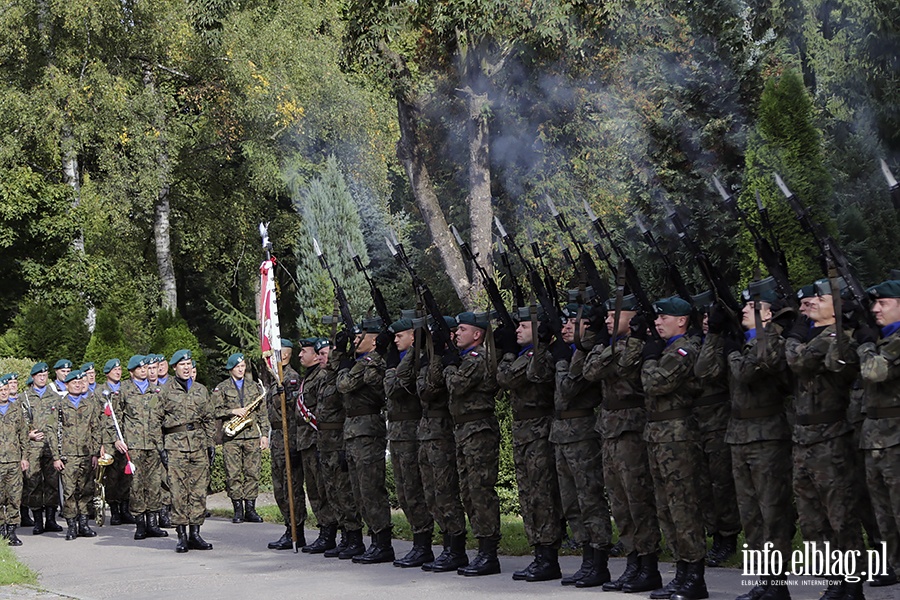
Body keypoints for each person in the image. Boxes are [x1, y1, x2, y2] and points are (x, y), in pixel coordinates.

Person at [784, 279, 866, 599]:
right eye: (810, 298)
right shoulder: (810, 335)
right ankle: (833, 582)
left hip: (831, 436)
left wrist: (792, 337)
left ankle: (852, 584)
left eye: (821, 296)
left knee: (840, 515)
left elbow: (799, 362)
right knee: (812, 519)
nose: (812, 302)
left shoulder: (838, 334)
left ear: (839, 304)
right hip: (803, 437)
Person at [713, 290, 793, 600]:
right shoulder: (747, 338)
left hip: (767, 436)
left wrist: (733, 351)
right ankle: (764, 580)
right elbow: (707, 373)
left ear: (769, 314)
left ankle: (777, 582)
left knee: (772, 513)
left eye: (753, 305)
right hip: (739, 435)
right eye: (745, 304)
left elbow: (746, 372)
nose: (745, 309)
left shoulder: (773, 339)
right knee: (751, 516)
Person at [583, 296, 656, 591]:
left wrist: (627, 344)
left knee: (638, 501)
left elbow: (625, 368)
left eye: (616, 314)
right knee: (620, 503)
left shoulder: (642, 344)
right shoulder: (608, 345)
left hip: (632, 428)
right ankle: (632, 561)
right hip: (610, 429)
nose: (609, 319)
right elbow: (590, 371)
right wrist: (608, 344)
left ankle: (648, 564)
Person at [641, 297, 707, 600]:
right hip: (658, 435)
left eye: (663, 317)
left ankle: (694, 576)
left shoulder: (685, 349)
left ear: (682, 320)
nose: (657, 322)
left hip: (678, 436)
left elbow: (656, 382)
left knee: (683, 506)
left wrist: (650, 359)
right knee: (666, 507)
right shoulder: (667, 349)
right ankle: (681, 570)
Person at [496, 310, 563, 582]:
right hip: (524, 430)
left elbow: (507, 378)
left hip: (539, 429)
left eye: (524, 326)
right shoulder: (527, 356)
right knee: (528, 492)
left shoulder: (540, 356)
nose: (518, 330)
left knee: (542, 492)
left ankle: (548, 556)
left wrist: (509, 354)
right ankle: (539, 552)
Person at [440, 311, 501, 576]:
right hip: (464, 429)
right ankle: (481, 549)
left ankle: (489, 553)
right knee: (467, 490)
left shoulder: (477, 359)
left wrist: (450, 366)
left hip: (478, 430)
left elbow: (456, 385)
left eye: (462, 329)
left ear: (477, 334)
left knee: (480, 490)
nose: (456, 333)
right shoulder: (466, 359)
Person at [334, 318, 394, 564]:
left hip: (368, 430)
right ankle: (373, 540)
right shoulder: (361, 361)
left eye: (362, 336)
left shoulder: (374, 360)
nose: (356, 340)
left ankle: (383, 543)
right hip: (353, 432)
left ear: (374, 338)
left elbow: (344, 384)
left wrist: (347, 366)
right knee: (359, 491)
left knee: (371, 489)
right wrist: (341, 354)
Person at [856, 279, 900, 588]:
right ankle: (892, 563)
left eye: (882, 303)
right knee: (882, 510)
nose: (875, 309)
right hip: (876, 436)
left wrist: (866, 344)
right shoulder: (885, 338)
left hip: (896, 436)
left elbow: (875, 371)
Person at [416, 316, 468, 572]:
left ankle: (456, 547)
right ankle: (447, 544)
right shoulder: (430, 360)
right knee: (432, 494)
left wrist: (441, 356)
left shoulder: (455, 360)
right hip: (427, 433)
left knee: (446, 491)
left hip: (443, 432)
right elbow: (420, 390)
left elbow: (434, 389)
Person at [692, 301, 741, 568]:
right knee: (703, 484)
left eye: (711, 316)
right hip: (696, 423)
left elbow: (707, 371)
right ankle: (714, 533)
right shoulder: (694, 342)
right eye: (703, 315)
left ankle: (728, 536)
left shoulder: (723, 343)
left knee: (722, 484)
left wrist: (714, 337)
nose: (706, 320)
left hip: (719, 421)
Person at [382, 318, 433, 568]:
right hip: (398, 433)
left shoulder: (416, 359)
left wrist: (392, 367)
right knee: (404, 492)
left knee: (414, 490)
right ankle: (417, 542)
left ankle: (423, 544)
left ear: (413, 337)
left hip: (412, 432)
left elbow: (393, 387)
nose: (394, 340)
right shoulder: (405, 359)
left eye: (399, 336)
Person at [157, 349, 215, 553]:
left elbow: (209, 418)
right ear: (175, 368)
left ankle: (195, 534)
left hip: (198, 446)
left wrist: (210, 444)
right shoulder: (165, 391)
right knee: (179, 492)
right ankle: (181, 535)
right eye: (183, 365)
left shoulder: (200, 390)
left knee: (199, 491)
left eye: (189, 364)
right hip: (175, 447)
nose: (187, 367)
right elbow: (155, 421)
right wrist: (161, 447)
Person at [116, 355, 168, 540]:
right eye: (140, 368)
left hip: (154, 444)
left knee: (154, 483)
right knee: (137, 485)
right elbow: (114, 417)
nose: (144, 370)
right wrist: (116, 439)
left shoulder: (156, 390)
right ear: (132, 372)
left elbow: (163, 416)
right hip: (134, 444)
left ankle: (153, 523)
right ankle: (140, 524)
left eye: (146, 367)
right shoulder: (124, 390)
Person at [294, 338, 338, 553]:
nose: (300, 355)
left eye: (304, 351)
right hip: (305, 441)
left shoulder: (321, 376)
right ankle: (323, 529)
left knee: (322, 488)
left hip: (317, 439)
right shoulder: (307, 377)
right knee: (313, 489)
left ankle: (329, 531)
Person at [213, 353, 266, 524]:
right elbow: (213, 410)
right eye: (237, 367)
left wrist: (264, 434)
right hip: (232, 437)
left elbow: (262, 413)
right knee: (233, 473)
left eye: (243, 366)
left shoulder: (254, 386)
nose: (241, 369)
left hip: (251, 435)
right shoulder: (221, 388)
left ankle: (250, 508)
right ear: (230, 369)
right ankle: (238, 509)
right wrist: (232, 411)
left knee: (253, 472)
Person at [51, 369, 103, 541]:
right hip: (68, 455)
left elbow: (96, 429)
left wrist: (95, 453)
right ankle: (71, 525)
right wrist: (56, 457)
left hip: (86, 454)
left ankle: (84, 524)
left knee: (86, 490)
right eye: (74, 383)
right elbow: (53, 432)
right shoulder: (59, 405)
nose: (78, 385)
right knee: (69, 492)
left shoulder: (90, 405)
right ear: (67, 385)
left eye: (81, 382)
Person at [265, 339, 306, 550]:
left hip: (289, 437)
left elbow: (294, 411)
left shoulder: (291, 379)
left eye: (274, 354)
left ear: (285, 355)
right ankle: (288, 526)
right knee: (280, 488)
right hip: (278, 439)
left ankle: (296, 530)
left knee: (293, 487)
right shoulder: (275, 379)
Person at [21, 362, 63, 534]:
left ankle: (51, 520)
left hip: (51, 446)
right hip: (33, 447)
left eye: (45, 375)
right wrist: (29, 435)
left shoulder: (54, 397)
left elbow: (59, 420)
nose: (42, 377)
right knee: (34, 483)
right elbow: (20, 423)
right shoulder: (24, 398)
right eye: (39, 375)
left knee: (52, 483)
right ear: (33, 377)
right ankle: (38, 520)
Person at [96, 359, 136, 526]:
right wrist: (104, 443)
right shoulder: (100, 392)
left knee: (126, 476)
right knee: (112, 477)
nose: (118, 372)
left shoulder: (127, 388)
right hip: (109, 439)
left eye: (120, 369)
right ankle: (114, 511)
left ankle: (125, 509)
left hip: (127, 437)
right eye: (114, 370)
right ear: (107, 373)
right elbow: (99, 419)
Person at [0, 375, 29, 546]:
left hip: (14, 461)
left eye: (5, 390)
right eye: (0, 391)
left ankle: (11, 531)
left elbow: (23, 436)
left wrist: (24, 457)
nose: (3, 393)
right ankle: (1, 528)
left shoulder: (16, 409)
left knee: (14, 497)